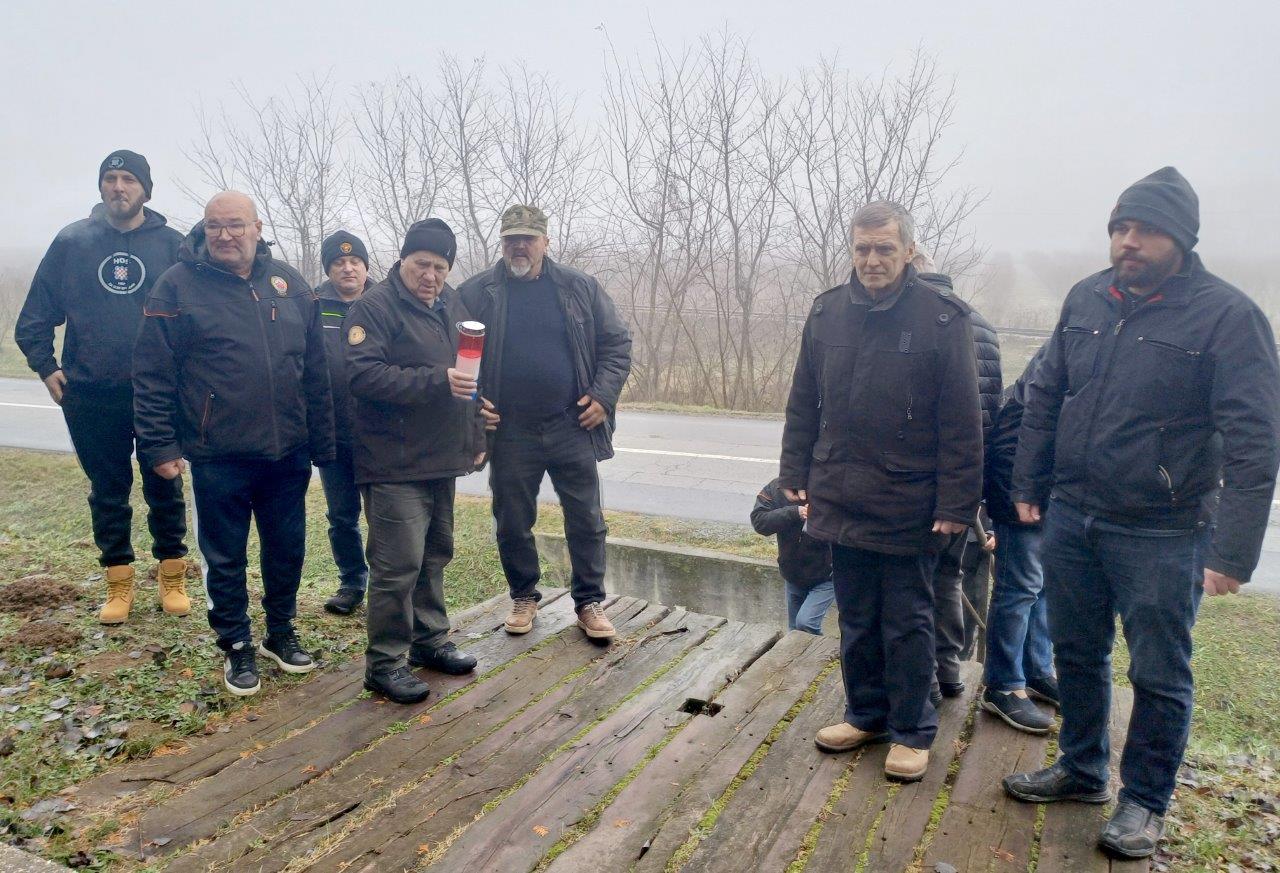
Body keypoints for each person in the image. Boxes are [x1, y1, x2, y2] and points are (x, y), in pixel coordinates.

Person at [1004, 168, 1280, 859]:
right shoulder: (1086, 297)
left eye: (1147, 230)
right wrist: (1029, 480)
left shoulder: (1228, 317)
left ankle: (1145, 800)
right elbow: (1046, 394)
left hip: (1165, 528)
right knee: (1076, 652)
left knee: (1158, 671)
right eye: (1121, 228)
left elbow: (1255, 441)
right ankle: (1082, 768)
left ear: (1182, 239)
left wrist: (1233, 550)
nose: (1129, 241)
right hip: (1074, 514)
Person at [781, 201, 982, 783]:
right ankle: (865, 714)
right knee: (858, 615)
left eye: (884, 249)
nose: (872, 260)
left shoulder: (943, 319)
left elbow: (963, 421)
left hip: (908, 500)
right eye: (863, 248)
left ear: (909, 251)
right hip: (840, 491)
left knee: (908, 620)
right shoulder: (827, 313)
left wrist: (956, 503)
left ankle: (912, 731)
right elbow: (804, 400)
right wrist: (794, 469)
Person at [133, 191, 335, 697]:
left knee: (286, 549)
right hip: (217, 453)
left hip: (287, 452)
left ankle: (280, 631)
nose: (225, 235)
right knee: (224, 557)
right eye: (215, 225)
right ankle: (237, 643)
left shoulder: (290, 284)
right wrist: (159, 445)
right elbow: (153, 374)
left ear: (257, 227)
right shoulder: (175, 287)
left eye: (236, 224)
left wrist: (323, 441)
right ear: (204, 229)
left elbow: (315, 371)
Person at [14, 151, 191, 625]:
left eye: (128, 179)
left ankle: (172, 574)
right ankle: (118, 581)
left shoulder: (172, 245)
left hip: (157, 393)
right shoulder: (72, 242)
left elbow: (194, 317)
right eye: (110, 178)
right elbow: (35, 316)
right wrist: (45, 365)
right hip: (91, 392)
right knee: (108, 491)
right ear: (100, 187)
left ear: (145, 190)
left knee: (165, 483)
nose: (118, 187)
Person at [457, 205, 632, 642]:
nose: (520, 246)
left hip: (572, 423)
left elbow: (616, 344)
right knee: (512, 520)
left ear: (545, 242)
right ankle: (523, 596)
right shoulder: (477, 292)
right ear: (502, 243)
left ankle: (589, 602)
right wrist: (476, 403)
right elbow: (453, 355)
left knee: (586, 519)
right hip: (510, 429)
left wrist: (603, 395)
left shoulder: (579, 288)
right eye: (511, 239)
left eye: (528, 238)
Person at [344, 219, 486, 704]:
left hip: (442, 457)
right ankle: (384, 664)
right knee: (397, 565)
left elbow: (469, 378)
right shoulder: (374, 307)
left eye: (440, 267)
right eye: (422, 264)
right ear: (403, 259)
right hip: (393, 461)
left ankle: (430, 641)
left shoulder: (453, 306)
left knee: (434, 555)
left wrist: (476, 432)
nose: (430, 276)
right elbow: (363, 376)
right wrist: (435, 380)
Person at [912, 256, 1002, 704]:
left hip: (923, 478)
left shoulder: (921, 322)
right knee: (949, 577)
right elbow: (993, 410)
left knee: (914, 583)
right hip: (969, 480)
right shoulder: (980, 323)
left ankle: (923, 682)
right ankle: (949, 672)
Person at [980, 347, 1057, 734]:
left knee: (1041, 588)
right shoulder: (1056, 366)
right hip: (1021, 495)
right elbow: (1012, 438)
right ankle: (1003, 685)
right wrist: (1023, 495)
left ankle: (1036, 671)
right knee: (1019, 589)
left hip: (1049, 495)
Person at [315, 231, 375, 616]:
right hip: (332, 431)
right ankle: (352, 582)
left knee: (384, 514)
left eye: (355, 261)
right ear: (329, 269)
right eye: (339, 262)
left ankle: (387, 584)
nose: (348, 268)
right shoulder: (312, 305)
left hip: (379, 434)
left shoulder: (384, 302)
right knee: (341, 516)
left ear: (366, 267)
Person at [750, 477, 834, 635]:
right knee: (794, 632)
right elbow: (759, 521)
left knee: (806, 623)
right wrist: (795, 512)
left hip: (827, 576)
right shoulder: (777, 487)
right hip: (793, 573)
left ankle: (821, 648)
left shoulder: (831, 486)